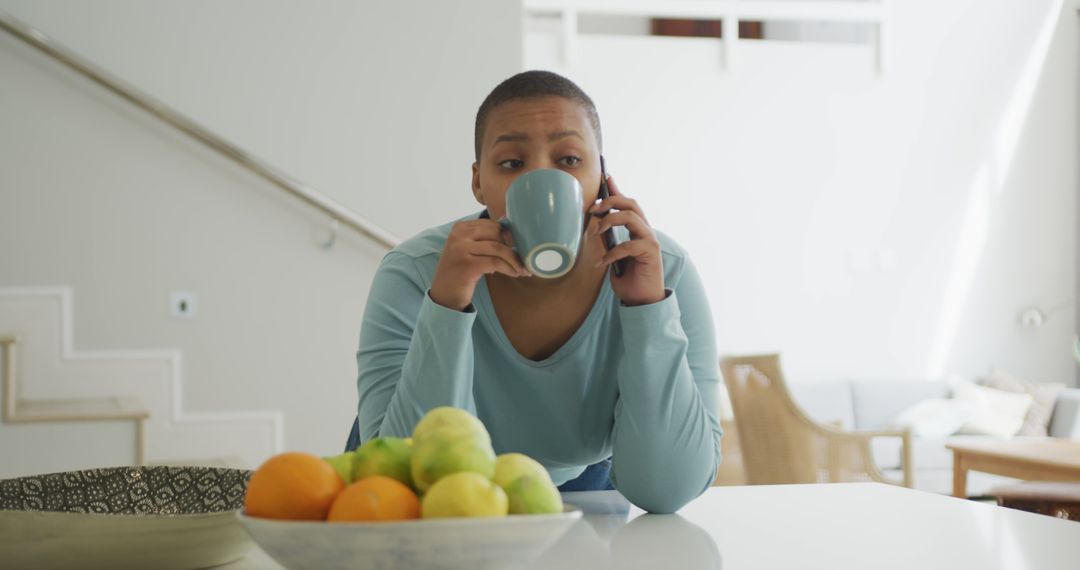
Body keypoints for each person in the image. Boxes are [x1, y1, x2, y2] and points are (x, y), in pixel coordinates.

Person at [355, 70, 721, 513]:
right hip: (449, 491)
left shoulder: (664, 272)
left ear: (602, 176)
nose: (541, 179)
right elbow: (404, 479)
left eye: (569, 160)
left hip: (592, 482)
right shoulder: (414, 273)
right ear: (478, 182)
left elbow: (667, 489)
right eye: (511, 163)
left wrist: (646, 308)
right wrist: (447, 305)